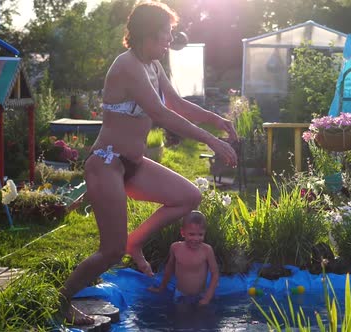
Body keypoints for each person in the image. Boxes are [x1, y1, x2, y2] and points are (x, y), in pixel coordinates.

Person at [59, 2, 237, 325]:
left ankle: (134, 241)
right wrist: (210, 140)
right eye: (165, 33)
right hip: (107, 163)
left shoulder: (153, 65)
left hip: (133, 165)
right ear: (147, 34)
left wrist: (217, 121)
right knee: (110, 251)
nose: (170, 39)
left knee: (188, 197)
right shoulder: (127, 65)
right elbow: (161, 114)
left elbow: (177, 104)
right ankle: (60, 302)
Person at [148, 210, 219, 307]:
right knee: (181, 317)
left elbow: (215, 274)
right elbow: (169, 268)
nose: (196, 238)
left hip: (200, 295)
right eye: (192, 234)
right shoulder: (175, 248)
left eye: (200, 234)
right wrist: (161, 287)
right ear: (183, 232)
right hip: (180, 294)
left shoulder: (207, 250)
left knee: (201, 319)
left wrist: (207, 298)